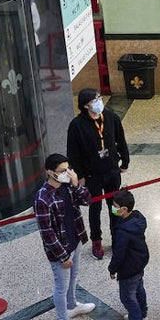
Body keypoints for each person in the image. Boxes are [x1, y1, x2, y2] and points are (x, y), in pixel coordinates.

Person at [34, 154, 96, 320]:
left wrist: (77, 184)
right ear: (50, 173)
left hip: (75, 239)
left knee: (74, 276)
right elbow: (47, 233)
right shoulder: (42, 197)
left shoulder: (69, 186)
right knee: (61, 285)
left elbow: (87, 200)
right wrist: (62, 256)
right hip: (59, 249)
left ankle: (72, 305)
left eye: (68, 169)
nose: (66, 174)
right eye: (62, 171)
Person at [66, 88, 130, 260]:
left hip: (111, 170)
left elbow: (121, 140)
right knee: (95, 207)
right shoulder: (76, 125)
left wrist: (125, 161)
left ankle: (116, 235)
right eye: (95, 99)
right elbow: (73, 153)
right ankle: (96, 240)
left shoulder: (111, 117)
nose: (99, 101)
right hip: (92, 175)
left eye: (99, 98)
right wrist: (79, 176)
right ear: (86, 105)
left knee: (114, 206)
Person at [108, 189, 149, 320]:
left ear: (123, 209)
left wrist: (112, 269)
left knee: (127, 297)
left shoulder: (123, 231)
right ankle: (142, 314)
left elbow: (119, 254)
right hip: (139, 262)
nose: (113, 207)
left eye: (115, 205)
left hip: (128, 267)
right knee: (138, 289)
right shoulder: (137, 218)